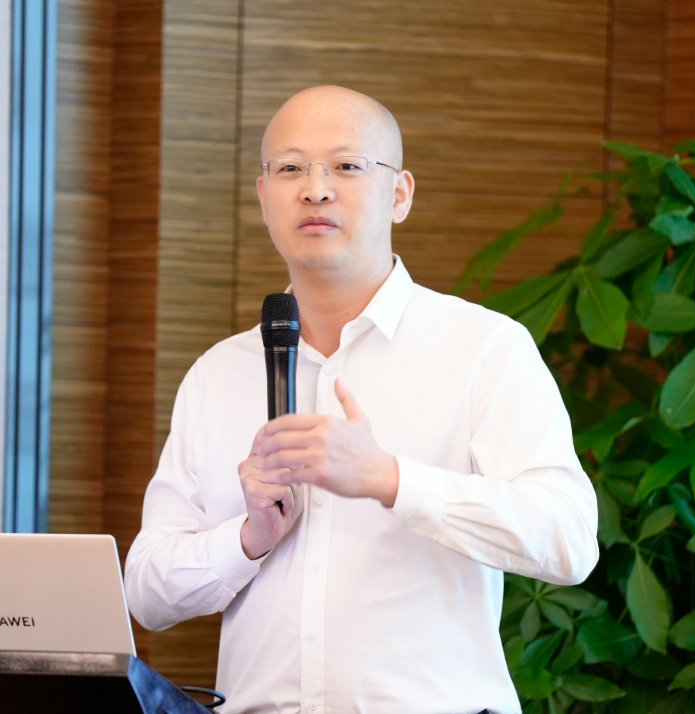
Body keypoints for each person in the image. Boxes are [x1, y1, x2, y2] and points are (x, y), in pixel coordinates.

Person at [124, 85, 599, 714]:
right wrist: (247, 538)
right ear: (263, 196)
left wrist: (390, 479)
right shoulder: (219, 373)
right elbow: (147, 595)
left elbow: (569, 539)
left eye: (346, 166)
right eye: (290, 169)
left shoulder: (485, 348)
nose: (315, 189)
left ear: (399, 194)